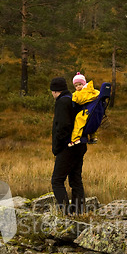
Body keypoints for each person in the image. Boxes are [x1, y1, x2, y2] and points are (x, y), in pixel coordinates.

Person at [50, 76, 87, 216]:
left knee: (57, 180)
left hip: (68, 147)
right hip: (80, 145)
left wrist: (58, 147)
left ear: (54, 91)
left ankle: (66, 213)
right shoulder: (74, 99)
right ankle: (79, 212)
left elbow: (62, 127)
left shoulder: (62, 102)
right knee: (75, 179)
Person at [69, 72, 100, 146]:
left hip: (86, 111)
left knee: (78, 121)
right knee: (92, 122)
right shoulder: (92, 91)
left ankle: (75, 139)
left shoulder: (84, 92)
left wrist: (73, 97)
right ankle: (93, 137)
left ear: (84, 84)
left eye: (80, 84)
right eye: (76, 86)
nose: (78, 87)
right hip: (93, 110)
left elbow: (80, 99)